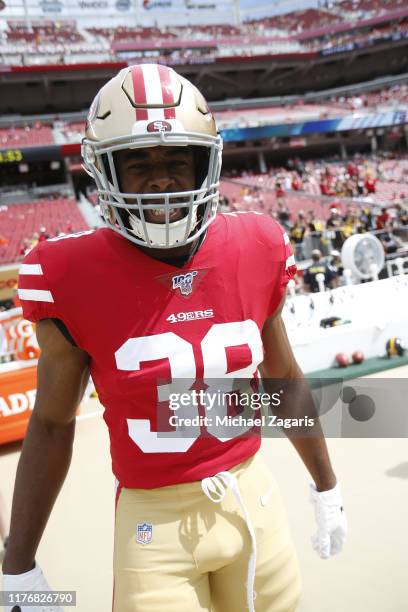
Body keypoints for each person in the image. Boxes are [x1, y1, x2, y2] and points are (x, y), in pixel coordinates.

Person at [2, 64, 347, 612]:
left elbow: (282, 380)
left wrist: (326, 485)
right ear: (105, 171)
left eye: (176, 159)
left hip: (253, 498)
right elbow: (50, 422)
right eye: (137, 161)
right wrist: (17, 563)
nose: (161, 178)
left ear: (205, 162)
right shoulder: (68, 273)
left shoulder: (256, 245)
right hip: (153, 525)